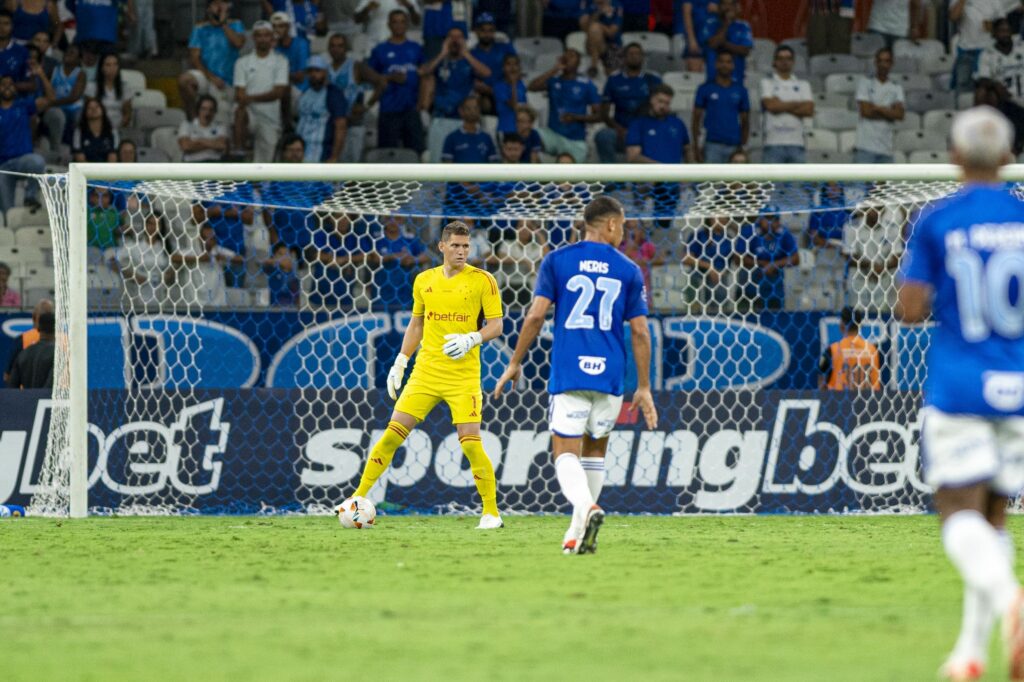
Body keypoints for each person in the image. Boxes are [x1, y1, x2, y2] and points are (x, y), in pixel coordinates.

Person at [895, 106, 1024, 682]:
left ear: (953, 157)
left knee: (956, 509)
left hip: (960, 387)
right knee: (994, 519)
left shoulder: (937, 220)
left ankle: (1009, 601)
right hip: (1018, 387)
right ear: (1006, 158)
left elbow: (911, 308)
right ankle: (970, 655)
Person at [493, 195, 658, 554]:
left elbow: (535, 316)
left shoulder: (557, 261)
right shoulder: (629, 269)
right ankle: (577, 533)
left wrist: (515, 361)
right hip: (611, 374)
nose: (624, 231)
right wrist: (643, 386)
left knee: (564, 452)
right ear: (611, 224)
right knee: (595, 449)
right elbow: (641, 332)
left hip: (570, 370)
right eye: (623, 225)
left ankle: (584, 508)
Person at [353, 220, 505, 530]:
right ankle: (356, 499)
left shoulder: (483, 281)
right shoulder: (424, 280)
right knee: (391, 435)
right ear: (442, 247)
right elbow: (417, 324)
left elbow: (496, 325)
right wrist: (400, 361)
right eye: (456, 245)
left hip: (463, 376)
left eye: (466, 246)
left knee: (471, 443)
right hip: (425, 372)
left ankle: (491, 513)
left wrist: (471, 339)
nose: (462, 251)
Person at [421, 26, 491, 162]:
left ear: (464, 41)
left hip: (463, 121)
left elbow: (487, 73)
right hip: (441, 119)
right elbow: (423, 72)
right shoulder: (440, 61)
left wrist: (466, 54)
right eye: (451, 37)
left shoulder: (469, 61)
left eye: (458, 37)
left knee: (462, 162)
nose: (455, 41)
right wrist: (442, 53)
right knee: (438, 161)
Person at [366, 9, 425, 153]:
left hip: (411, 110)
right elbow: (369, 75)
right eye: (395, 22)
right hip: (388, 109)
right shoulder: (380, 50)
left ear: (407, 25)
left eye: (402, 22)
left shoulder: (416, 48)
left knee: (415, 154)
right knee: (388, 156)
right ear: (389, 25)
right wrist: (387, 78)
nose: (399, 25)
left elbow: (425, 76)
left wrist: (421, 103)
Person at [528, 49, 601, 163]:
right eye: (565, 55)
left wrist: (575, 117)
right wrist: (554, 69)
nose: (567, 58)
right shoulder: (553, 81)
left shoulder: (586, 84)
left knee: (569, 175)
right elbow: (532, 87)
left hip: (575, 140)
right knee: (529, 134)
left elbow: (599, 116)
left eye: (571, 56)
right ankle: (534, 177)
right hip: (552, 135)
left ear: (578, 63)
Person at [595, 42, 662, 164]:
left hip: (646, 131)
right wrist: (620, 130)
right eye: (631, 54)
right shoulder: (614, 80)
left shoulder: (653, 80)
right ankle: (610, 180)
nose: (634, 56)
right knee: (603, 136)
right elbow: (604, 113)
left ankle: (654, 180)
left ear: (643, 57)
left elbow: (660, 109)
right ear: (624, 58)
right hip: (620, 131)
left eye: (638, 54)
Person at [233, 21, 289, 163]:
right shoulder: (242, 62)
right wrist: (248, 99)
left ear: (272, 38)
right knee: (239, 111)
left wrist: (250, 98)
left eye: (266, 35)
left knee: (265, 167)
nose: (263, 39)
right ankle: (239, 151)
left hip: (270, 118)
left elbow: (278, 93)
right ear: (253, 38)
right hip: (249, 114)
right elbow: (240, 95)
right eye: (259, 35)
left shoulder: (281, 61)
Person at [179, 0, 246, 120]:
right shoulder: (199, 29)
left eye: (223, 4)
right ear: (209, 8)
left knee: (221, 118)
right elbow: (194, 59)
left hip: (228, 81)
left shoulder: (236, 24)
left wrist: (223, 24)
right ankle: (193, 120)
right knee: (185, 80)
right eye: (216, 4)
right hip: (207, 77)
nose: (220, 7)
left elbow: (238, 43)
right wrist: (211, 77)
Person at [326, 33, 385, 163]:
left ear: (346, 48)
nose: (336, 49)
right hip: (332, 124)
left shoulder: (356, 66)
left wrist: (366, 106)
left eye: (340, 46)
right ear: (328, 48)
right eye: (333, 46)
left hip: (353, 123)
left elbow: (381, 82)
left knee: (350, 168)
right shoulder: (325, 69)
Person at [844, 204, 904, 312]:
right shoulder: (851, 226)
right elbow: (848, 256)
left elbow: (898, 256)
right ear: (865, 209)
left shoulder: (892, 228)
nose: (876, 212)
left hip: (883, 281)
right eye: (872, 208)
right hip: (859, 280)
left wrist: (882, 268)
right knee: (857, 316)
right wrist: (871, 266)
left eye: (880, 208)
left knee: (882, 317)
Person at [692, 51, 749, 163]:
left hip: (734, 146)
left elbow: (745, 121)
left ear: (733, 65)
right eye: (721, 61)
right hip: (712, 145)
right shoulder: (705, 88)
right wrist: (696, 147)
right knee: (712, 180)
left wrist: (743, 146)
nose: (724, 65)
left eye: (728, 62)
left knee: (734, 181)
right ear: (715, 64)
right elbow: (696, 120)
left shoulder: (741, 90)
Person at [760, 46, 814, 164]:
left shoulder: (804, 85)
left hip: (797, 144)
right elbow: (770, 106)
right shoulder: (767, 83)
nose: (784, 62)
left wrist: (780, 105)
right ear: (774, 62)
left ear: (793, 62)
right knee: (772, 183)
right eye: (780, 58)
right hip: (773, 143)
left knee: (797, 183)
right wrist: (797, 104)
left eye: (788, 59)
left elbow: (809, 110)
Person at [0, 73, 46, 211]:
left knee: (37, 161)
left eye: (11, 84)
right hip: (2, 167)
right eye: (3, 84)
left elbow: (50, 99)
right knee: (6, 212)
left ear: (16, 88)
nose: (7, 86)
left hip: (22, 160)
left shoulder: (23, 105)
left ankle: (30, 196)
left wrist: (42, 75)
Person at [853, 47, 905, 164]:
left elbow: (900, 115)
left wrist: (878, 109)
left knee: (885, 183)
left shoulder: (896, 86)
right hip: (865, 147)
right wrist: (889, 112)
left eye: (887, 61)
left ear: (892, 64)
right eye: (880, 61)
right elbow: (865, 112)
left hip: (886, 149)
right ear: (875, 62)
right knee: (861, 182)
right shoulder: (864, 82)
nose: (883, 64)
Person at [296, 55, 348, 162]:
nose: (313, 74)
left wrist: (334, 157)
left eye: (317, 70)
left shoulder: (333, 94)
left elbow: (341, 126)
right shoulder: (306, 92)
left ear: (325, 72)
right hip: (300, 148)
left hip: (321, 149)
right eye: (310, 71)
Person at [371, 216, 429, 308]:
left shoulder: (409, 239)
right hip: (381, 291)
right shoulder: (376, 239)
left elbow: (425, 257)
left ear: (403, 221)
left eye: (397, 219)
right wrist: (394, 256)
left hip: (404, 291)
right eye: (389, 218)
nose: (393, 221)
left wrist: (413, 259)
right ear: (383, 220)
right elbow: (373, 258)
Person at [818, 305, 881, 390]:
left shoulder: (832, 350)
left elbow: (821, 379)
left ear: (842, 325)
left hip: (838, 400)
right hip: (866, 400)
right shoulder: (872, 350)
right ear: (860, 325)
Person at [749, 206, 799, 310]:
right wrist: (762, 264)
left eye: (775, 219)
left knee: (776, 312)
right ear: (760, 219)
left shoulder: (784, 234)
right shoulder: (750, 232)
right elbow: (738, 258)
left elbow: (796, 258)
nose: (771, 222)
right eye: (768, 218)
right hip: (753, 280)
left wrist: (774, 265)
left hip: (776, 281)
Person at [950, 0, 1003, 92]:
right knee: (963, 90)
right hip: (966, 52)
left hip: (989, 52)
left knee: (987, 90)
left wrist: (992, 27)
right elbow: (953, 17)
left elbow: (1002, 24)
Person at [684, 215, 736, 308]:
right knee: (695, 307)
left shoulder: (729, 239)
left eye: (724, 217)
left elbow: (734, 261)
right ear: (710, 219)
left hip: (719, 279)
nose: (722, 219)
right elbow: (687, 259)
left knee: (719, 307)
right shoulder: (699, 235)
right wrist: (709, 267)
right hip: (699, 275)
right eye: (719, 217)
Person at [469, 12, 515, 110]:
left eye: (490, 30)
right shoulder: (472, 54)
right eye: (483, 30)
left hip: (505, 89)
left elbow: (515, 69)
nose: (487, 34)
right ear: (476, 32)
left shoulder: (505, 48)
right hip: (482, 93)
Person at [700, 0, 753, 83]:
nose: (728, 7)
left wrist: (723, 44)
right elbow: (713, 44)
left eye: (731, 4)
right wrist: (727, 24)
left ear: (736, 7)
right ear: (719, 6)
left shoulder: (743, 26)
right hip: (713, 79)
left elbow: (745, 51)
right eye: (724, 4)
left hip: (737, 79)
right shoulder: (709, 23)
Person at [976, 18, 1024, 106]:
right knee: (983, 92)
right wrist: (995, 85)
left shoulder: (1022, 48)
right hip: (1004, 98)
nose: (1005, 34)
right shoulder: (987, 53)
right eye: (1001, 31)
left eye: (1008, 30)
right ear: (994, 33)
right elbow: (983, 79)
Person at [4, 297, 50, 384]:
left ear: (34, 317)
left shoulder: (23, 339)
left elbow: (7, 376)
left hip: (25, 396)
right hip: (57, 396)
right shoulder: (65, 340)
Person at [441, 95, 498, 163]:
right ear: (461, 111)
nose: (472, 111)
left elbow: (493, 164)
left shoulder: (486, 138)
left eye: (476, 108)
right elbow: (447, 165)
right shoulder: (451, 138)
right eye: (468, 108)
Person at [178, 94, 229, 163]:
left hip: (214, 163)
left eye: (211, 110)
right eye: (203, 109)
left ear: (215, 112)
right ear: (198, 110)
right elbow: (185, 147)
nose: (207, 113)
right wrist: (213, 143)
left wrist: (199, 141)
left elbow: (221, 145)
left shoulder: (220, 126)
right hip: (193, 163)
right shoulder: (187, 124)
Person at [85, 53, 131, 130]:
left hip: (118, 126)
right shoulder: (91, 87)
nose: (112, 68)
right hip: (97, 125)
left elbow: (127, 113)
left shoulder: (125, 88)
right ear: (102, 68)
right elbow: (89, 111)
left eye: (115, 64)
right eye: (108, 65)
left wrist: (118, 127)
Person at [581, 0, 623, 78]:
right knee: (594, 29)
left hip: (612, 45)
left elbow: (612, 32)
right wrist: (598, 13)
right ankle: (594, 65)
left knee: (613, 77)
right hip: (591, 45)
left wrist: (599, 25)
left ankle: (594, 66)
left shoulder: (616, 5)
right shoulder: (589, 3)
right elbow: (584, 27)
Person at [271, 11, 310, 91]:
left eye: (281, 26)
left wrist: (278, 75)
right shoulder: (272, 47)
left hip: (300, 89)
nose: (277, 30)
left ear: (288, 27)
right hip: (280, 89)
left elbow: (300, 77)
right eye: (274, 27)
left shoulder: (301, 44)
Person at [72, 97, 118, 163]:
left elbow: (113, 158)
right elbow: (80, 158)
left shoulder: (112, 131)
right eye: (90, 108)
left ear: (102, 110)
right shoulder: (79, 132)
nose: (94, 110)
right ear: (85, 112)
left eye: (97, 107)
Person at [355, 0, 421, 46]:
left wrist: (409, 7)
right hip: (374, 44)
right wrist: (367, 8)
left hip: (400, 45)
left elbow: (417, 21)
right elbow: (357, 19)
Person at [492, 53, 527, 139]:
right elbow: (514, 106)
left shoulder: (521, 85)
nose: (512, 67)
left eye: (515, 64)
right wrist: (513, 84)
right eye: (508, 64)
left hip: (521, 130)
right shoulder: (498, 86)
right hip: (506, 129)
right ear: (503, 68)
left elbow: (524, 107)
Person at [261, 242, 299, 306]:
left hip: (290, 310)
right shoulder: (271, 270)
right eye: (280, 254)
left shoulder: (294, 275)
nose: (284, 257)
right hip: (272, 308)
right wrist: (276, 261)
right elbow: (263, 263)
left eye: (286, 254)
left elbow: (297, 298)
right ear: (274, 256)